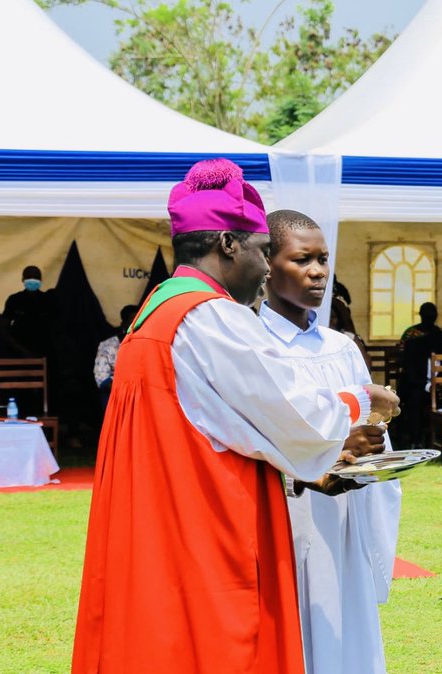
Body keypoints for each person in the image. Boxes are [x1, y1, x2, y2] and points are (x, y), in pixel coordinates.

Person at [72, 158, 400, 674]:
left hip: (160, 516)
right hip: (205, 527)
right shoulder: (210, 315)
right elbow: (296, 414)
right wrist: (363, 402)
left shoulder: (156, 309)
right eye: (263, 252)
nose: (268, 268)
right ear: (229, 244)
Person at [260, 209, 402, 674]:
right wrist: (332, 445)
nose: (318, 271)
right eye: (303, 260)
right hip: (285, 512)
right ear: (267, 263)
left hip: (343, 515)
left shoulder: (341, 348)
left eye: (323, 259)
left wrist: (373, 444)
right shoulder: (253, 344)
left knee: (345, 628)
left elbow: (373, 430)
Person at [397, 302, 442, 448]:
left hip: (438, 385)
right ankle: (415, 441)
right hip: (417, 383)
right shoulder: (412, 337)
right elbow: (405, 364)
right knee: (414, 400)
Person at [92, 304, 138, 410]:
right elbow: (101, 378)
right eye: (132, 321)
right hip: (116, 394)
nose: (135, 325)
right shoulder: (108, 346)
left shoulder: (147, 345)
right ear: (123, 324)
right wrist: (125, 388)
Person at [2, 265, 54, 357]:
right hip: (18, 351)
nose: (32, 280)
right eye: (29, 277)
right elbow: (4, 327)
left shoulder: (48, 300)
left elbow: (55, 328)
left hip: (44, 351)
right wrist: (20, 349)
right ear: (23, 280)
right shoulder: (14, 299)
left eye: (35, 277)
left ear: (40, 280)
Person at [329, 280, 371, 368]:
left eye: (333, 318)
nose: (330, 321)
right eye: (328, 318)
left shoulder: (349, 338)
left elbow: (365, 367)